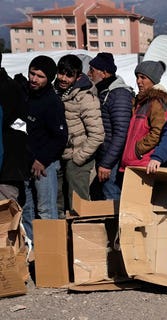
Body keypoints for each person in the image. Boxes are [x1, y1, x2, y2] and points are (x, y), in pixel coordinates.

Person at [23, 55, 68, 240]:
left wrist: (42, 160)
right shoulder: (25, 95)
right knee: (27, 209)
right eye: (32, 74)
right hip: (25, 162)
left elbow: (60, 137)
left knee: (46, 210)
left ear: (48, 78)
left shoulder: (52, 102)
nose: (34, 79)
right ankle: (33, 253)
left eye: (40, 76)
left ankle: (52, 254)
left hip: (44, 165)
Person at [54, 54, 104, 214]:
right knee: (60, 204)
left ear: (77, 77)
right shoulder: (57, 92)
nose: (63, 78)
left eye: (69, 75)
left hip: (78, 159)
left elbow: (97, 134)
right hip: (60, 156)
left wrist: (78, 159)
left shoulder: (85, 97)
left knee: (78, 207)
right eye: (61, 73)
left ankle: (84, 238)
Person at [88, 52, 134, 200]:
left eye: (92, 71)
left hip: (114, 159)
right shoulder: (103, 91)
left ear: (104, 73)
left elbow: (121, 133)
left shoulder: (118, 94)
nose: (89, 74)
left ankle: (117, 224)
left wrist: (107, 163)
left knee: (112, 198)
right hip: (106, 156)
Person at [120, 60, 167, 171]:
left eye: (143, 77)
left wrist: (137, 149)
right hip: (132, 163)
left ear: (153, 80)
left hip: (142, 164)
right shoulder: (140, 101)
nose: (138, 81)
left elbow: (158, 132)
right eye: (137, 77)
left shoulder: (156, 102)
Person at [0, 52, 29, 202]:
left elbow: (18, 128)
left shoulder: (9, 90)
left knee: (6, 219)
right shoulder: (13, 88)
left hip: (7, 170)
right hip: (10, 166)